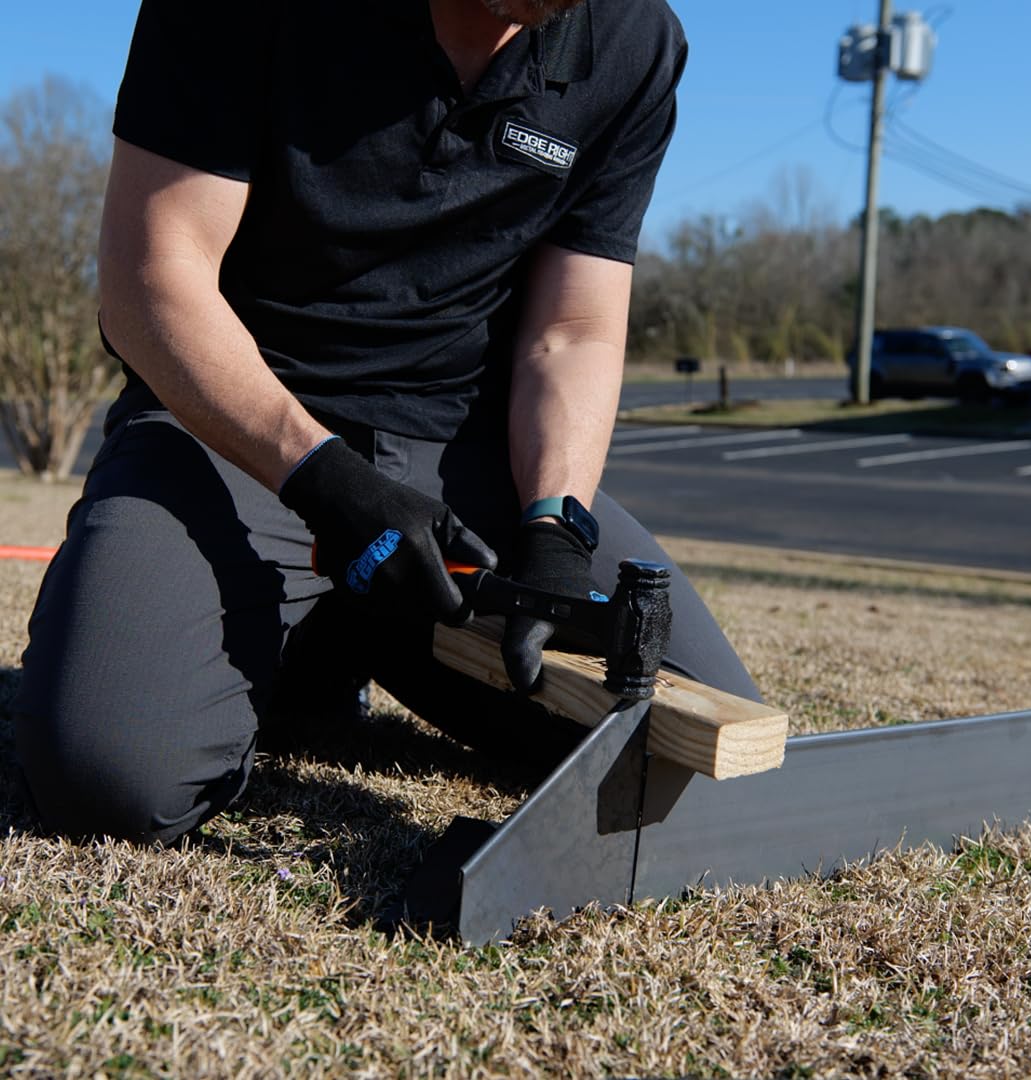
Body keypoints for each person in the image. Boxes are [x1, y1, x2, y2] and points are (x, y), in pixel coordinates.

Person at [14, 0, 761, 845]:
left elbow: (572, 331)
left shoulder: (635, 42)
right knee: (110, 781)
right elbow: (150, 281)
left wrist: (554, 525)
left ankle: (364, 627)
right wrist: (324, 480)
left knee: (694, 765)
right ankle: (310, 638)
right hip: (230, 435)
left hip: (460, 464)